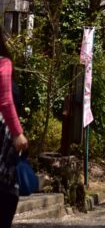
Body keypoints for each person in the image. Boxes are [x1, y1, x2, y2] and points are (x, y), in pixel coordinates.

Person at [0, 26, 28, 228]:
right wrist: (18, 134)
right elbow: (6, 102)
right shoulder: (3, 63)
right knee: (7, 195)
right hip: (3, 144)